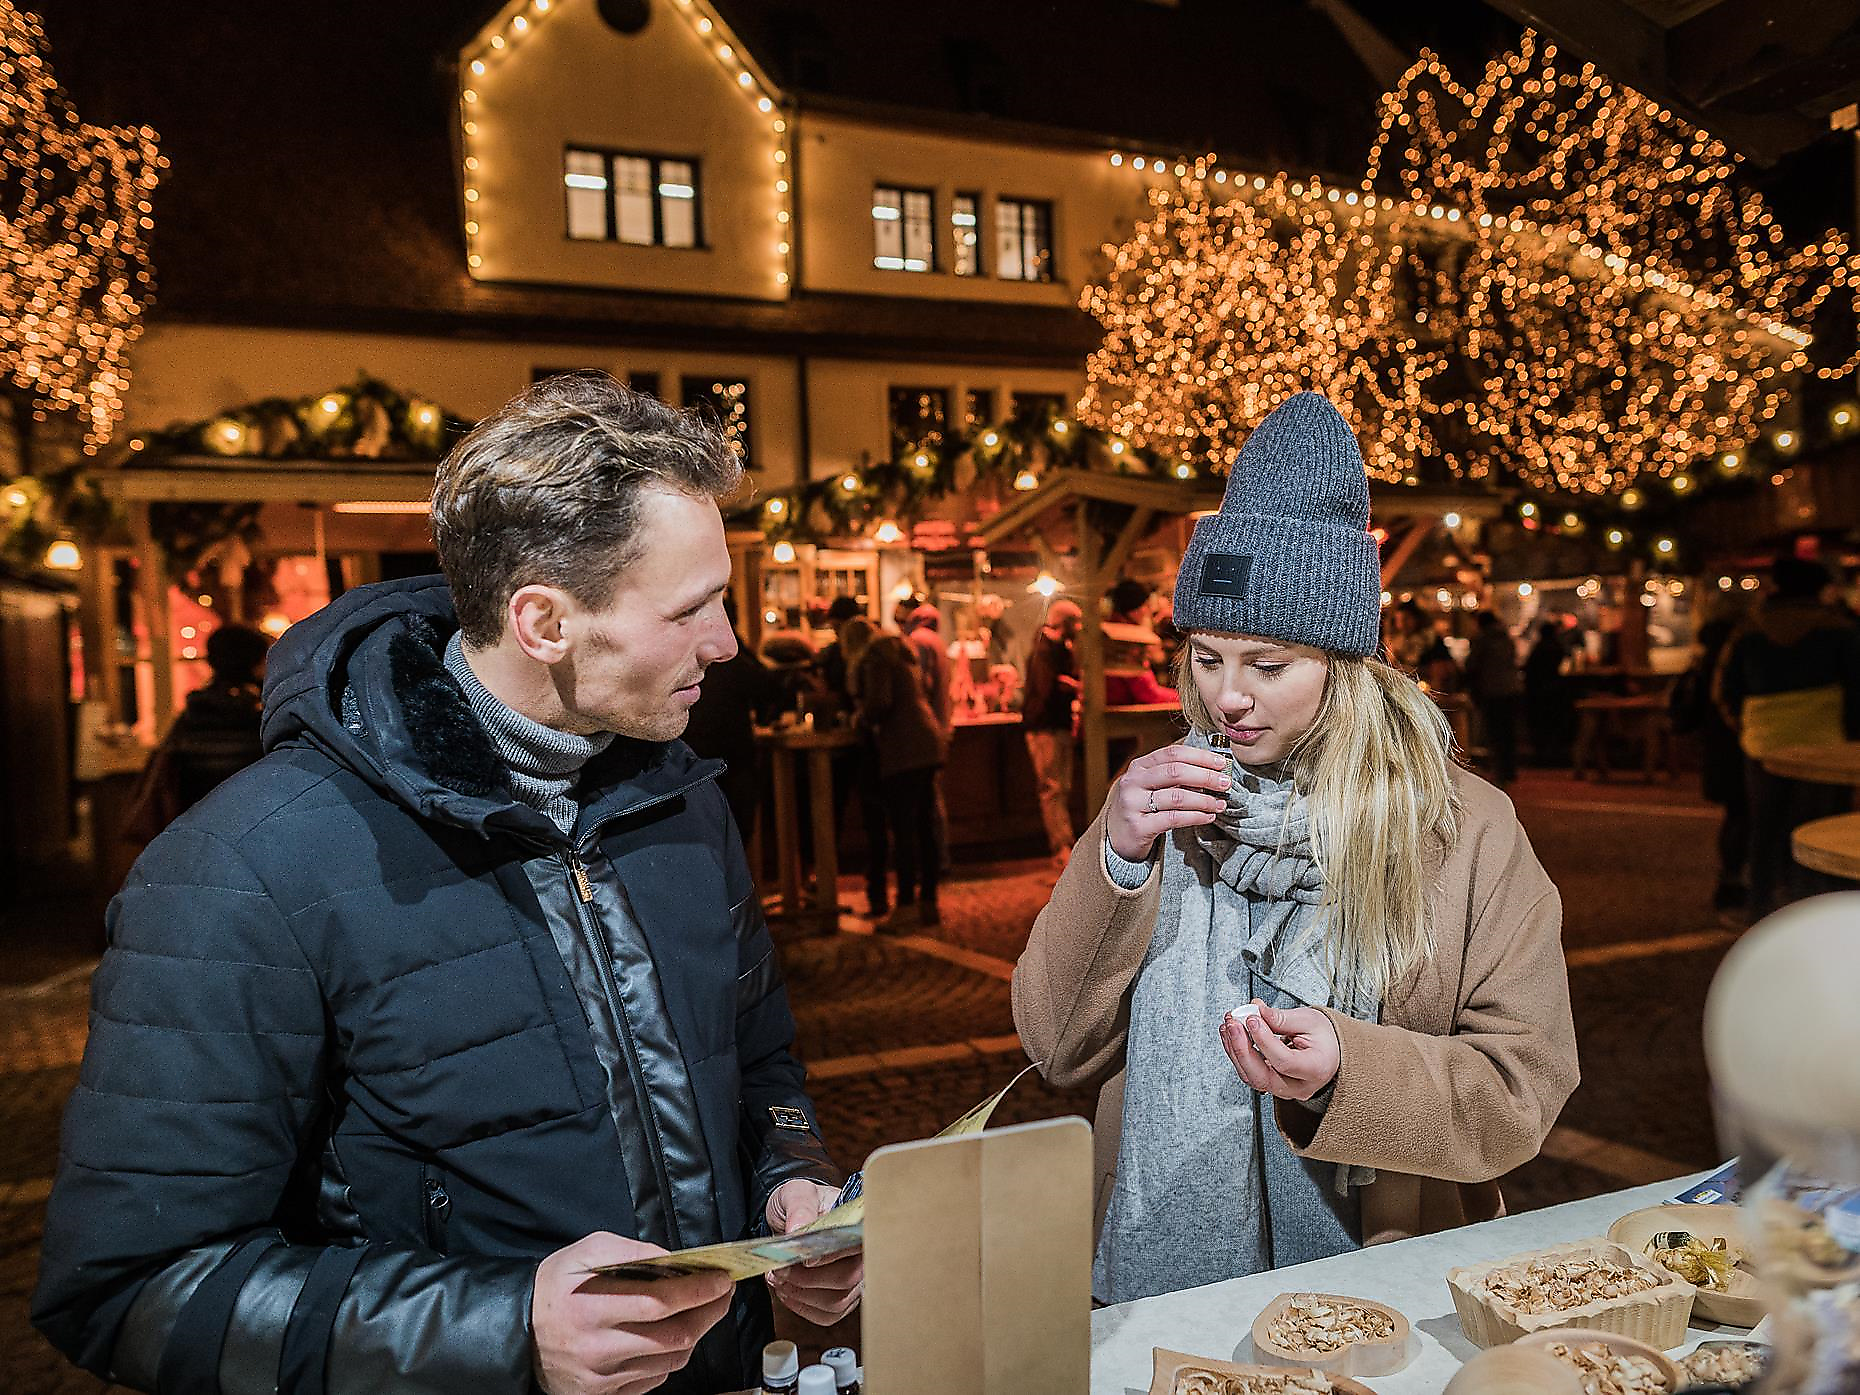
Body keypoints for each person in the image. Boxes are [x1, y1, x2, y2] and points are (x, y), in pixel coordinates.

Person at [34, 376, 862, 1395]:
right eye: (691, 609)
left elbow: (761, 1062)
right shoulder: (242, 868)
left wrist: (794, 1180)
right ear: (544, 622)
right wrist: (505, 1331)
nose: (728, 642)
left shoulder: (679, 799)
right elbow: (132, 1285)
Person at [1012, 392, 1577, 1305]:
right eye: (1204, 657)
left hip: (1384, 1277)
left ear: (1346, 666)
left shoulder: (1462, 829)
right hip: (1159, 1289)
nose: (1227, 696)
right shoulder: (1163, 801)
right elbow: (1056, 1045)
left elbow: (1523, 1086)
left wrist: (1349, 1070)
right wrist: (1113, 856)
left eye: (1267, 665)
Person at [1715, 553, 1860, 918]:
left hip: (1763, 741)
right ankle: (1811, 913)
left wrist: (1744, 727)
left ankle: (1760, 906)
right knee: (1817, 833)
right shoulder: (1839, 627)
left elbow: (1725, 688)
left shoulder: (1748, 628)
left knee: (1763, 828)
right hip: (1825, 741)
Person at [122, 622, 272, 841]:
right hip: (257, 831)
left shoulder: (194, 712)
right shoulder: (262, 715)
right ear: (255, 663)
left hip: (196, 833)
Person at [852, 624, 948, 929]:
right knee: (925, 825)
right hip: (927, 740)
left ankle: (906, 904)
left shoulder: (876, 660)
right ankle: (929, 902)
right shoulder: (904, 656)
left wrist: (860, 717)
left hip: (903, 748)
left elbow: (880, 703)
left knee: (905, 829)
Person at [682, 593, 783, 846]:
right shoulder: (730, 656)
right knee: (734, 840)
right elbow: (768, 687)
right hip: (730, 762)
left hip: (690, 763)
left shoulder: (683, 654)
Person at [1670, 600, 1750, 918]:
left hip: (1720, 750)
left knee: (1737, 816)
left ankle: (1730, 881)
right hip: (1744, 745)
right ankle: (1742, 884)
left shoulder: (1705, 663)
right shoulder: (1735, 658)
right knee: (1749, 817)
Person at [1024, 598, 1084, 866]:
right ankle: (1061, 846)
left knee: (1061, 787)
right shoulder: (1045, 648)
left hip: (1054, 724)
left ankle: (1066, 842)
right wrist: (1075, 686)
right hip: (1045, 725)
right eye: (1076, 622)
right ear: (1065, 623)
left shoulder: (1055, 646)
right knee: (1053, 787)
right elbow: (1047, 685)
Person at [1465, 610, 1523, 787]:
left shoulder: (1482, 640)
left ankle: (1499, 772)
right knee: (1508, 732)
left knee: (1494, 733)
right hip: (1511, 689)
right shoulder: (1506, 638)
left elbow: (1471, 665)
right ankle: (1510, 770)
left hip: (1491, 690)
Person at [1524, 619, 1573, 765]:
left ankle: (1541, 755)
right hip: (1554, 691)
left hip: (1538, 692)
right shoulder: (1557, 647)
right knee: (1553, 724)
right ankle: (1553, 754)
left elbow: (1530, 669)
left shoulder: (1539, 648)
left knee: (1540, 725)